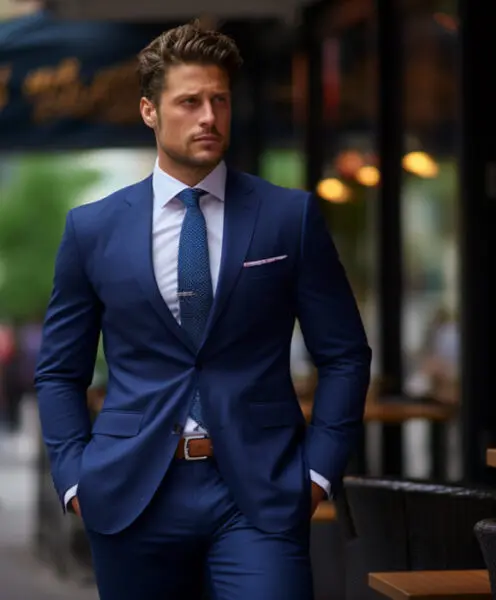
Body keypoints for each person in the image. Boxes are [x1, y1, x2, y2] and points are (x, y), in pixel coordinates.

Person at [34, 19, 371, 600]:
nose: (209, 117)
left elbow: (344, 355)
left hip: (260, 493)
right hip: (132, 493)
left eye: (220, 100)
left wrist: (317, 473)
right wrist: (73, 476)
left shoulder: (288, 217)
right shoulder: (92, 229)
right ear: (149, 112)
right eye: (189, 102)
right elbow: (59, 371)